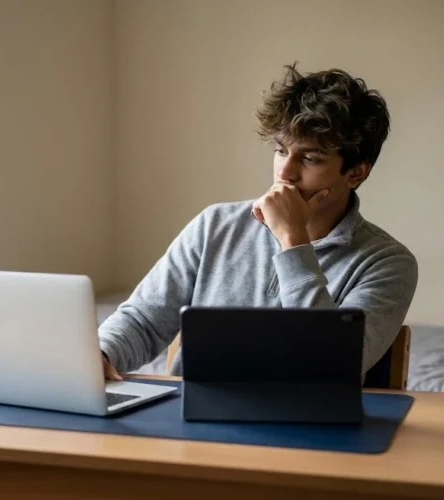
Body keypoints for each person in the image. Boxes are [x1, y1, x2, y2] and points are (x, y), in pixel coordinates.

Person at [99, 63, 418, 380]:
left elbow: (330, 368)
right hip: (197, 421)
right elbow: (143, 321)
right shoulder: (215, 225)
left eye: (309, 158)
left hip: (312, 426)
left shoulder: (388, 263)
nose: (285, 173)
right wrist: (100, 355)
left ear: (356, 173)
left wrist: (292, 241)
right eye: (281, 151)